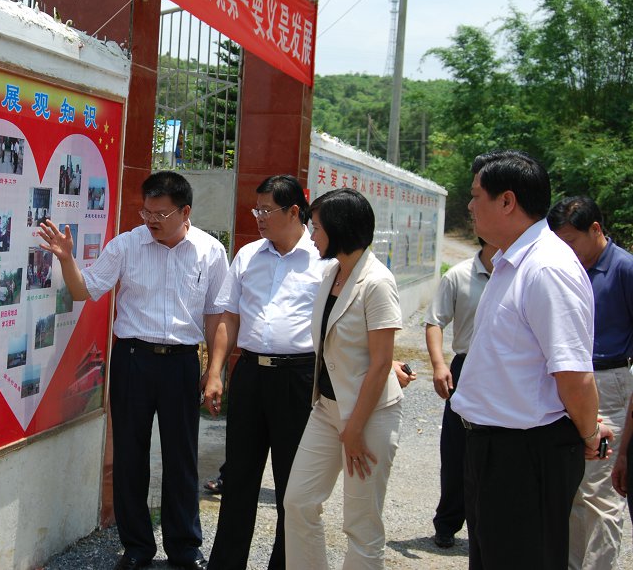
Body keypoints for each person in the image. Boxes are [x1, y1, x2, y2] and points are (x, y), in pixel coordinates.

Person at [38, 171, 228, 570]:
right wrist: (67, 259)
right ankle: (137, 545)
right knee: (129, 455)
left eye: (161, 213)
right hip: (133, 360)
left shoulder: (210, 251)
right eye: (146, 212)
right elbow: (84, 290)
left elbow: (216, 315)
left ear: (185, 212)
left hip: (181, 362)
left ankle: (184, 546)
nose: (151, 220)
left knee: (181, 456)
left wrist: (214, 371)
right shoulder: (127, 245)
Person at [451, 150, 614, 568]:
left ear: (507, 201)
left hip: (525, 456)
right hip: (493, 449)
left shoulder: (546, 268)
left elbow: (574, 375)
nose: (469, 206)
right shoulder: (511, 261)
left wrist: (588, 434)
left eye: (476, 195)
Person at [201, 175, 328, 570]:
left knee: (293, 481)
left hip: (299, 378)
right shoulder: (248, 255)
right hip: (251, 374)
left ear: (294, 212)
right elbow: (229, 317)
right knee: (239, 476)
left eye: (267, 210)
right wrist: (215, 372)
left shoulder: (323, 259)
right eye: (256, 209)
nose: (258, 217)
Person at [283, 188, 404, 570]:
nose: (311, 235)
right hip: (327, 408)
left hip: (370, 415)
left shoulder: (377, 282)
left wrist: (353, 429)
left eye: (316, 227)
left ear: (340, 228)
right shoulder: (331, 273)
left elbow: (381, 363)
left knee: (361, 523)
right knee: (298, 502)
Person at [548, 195, 633, 570]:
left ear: (595, 229)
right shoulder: (568, 269)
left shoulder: (624, 269)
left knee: (600, 492)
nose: (566, 250)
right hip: (569, 382)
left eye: (571, 241)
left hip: (609, 383)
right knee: (574, 488)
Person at [424, 238, 497, 549]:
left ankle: (491, 524)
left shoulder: (521, 273)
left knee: (499, 448)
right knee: (456, 448)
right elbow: (434, 321)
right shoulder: (458, 275)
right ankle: (447, 523)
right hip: (466, 367)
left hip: (504, 368)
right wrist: (439, 365)